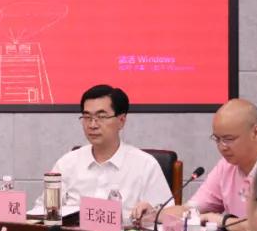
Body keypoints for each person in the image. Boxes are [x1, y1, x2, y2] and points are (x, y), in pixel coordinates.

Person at [138, 99, 257, 231]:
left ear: (256, 132)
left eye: (229, 139)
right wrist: (155, 214)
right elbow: (190, 210)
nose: (222, 147)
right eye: (217, 139)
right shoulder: (226, 166)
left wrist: (221, 220)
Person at [30, 84, 171, 219]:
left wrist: (153, 215)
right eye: (87, 117)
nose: (92, 125)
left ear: (121, 121)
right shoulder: (67, 163)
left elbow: (167, 217)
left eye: (101, 117)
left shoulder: (145, 165)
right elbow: (43, 211)